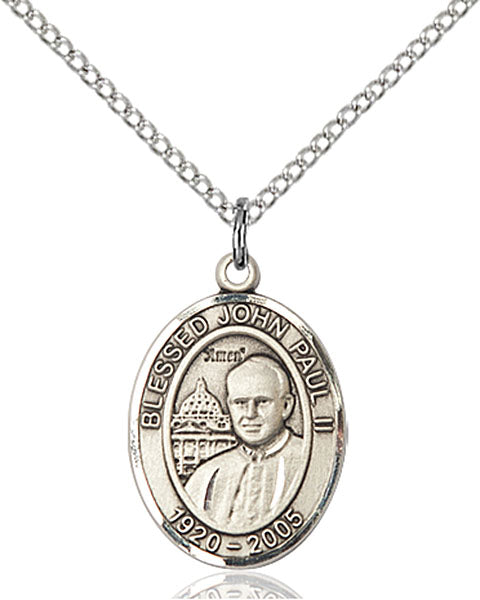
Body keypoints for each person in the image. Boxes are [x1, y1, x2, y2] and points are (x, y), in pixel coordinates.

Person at [185, 355, 303, 529]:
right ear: (229, 406)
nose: (250, 414)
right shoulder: (207, 474)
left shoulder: (310, 460)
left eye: (262, 402)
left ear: (286, 406)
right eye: (240, 403)